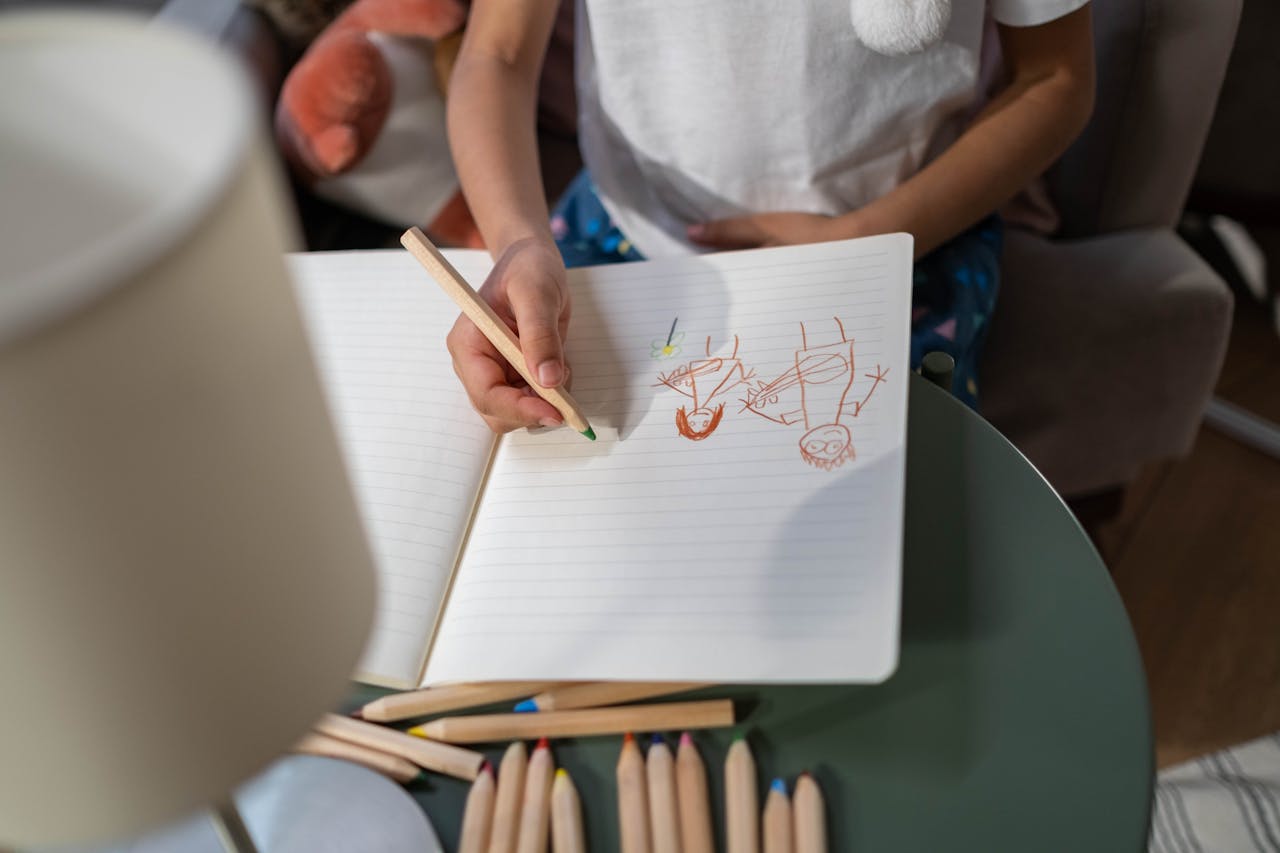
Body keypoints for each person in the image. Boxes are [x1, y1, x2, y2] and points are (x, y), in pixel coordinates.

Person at [444, 0, 1095, 433]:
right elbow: (495, 53)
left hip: (904, 240)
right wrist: (518, 241)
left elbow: (1056, 79)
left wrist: (859, 238)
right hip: (623, 226)